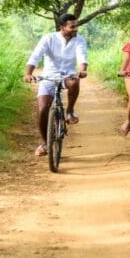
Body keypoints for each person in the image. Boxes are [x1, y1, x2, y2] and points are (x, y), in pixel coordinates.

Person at [23, 13, 88, 156]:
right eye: (72, 27)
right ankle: (45, 143)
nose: (75, 29)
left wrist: (82, 71)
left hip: (68, 75)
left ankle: (70, 111)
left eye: (76, 26)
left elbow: (82, 57)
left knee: (74, 81)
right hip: (48, 77)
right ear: (62, 27)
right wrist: (28, 73)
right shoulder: (49, 38)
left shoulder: (79, 40)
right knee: (42, 110)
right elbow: (35, 56)